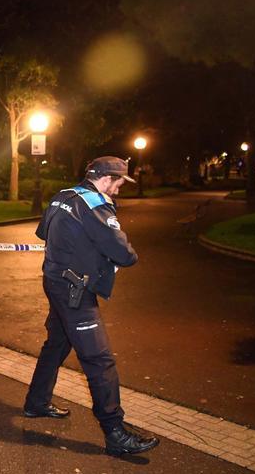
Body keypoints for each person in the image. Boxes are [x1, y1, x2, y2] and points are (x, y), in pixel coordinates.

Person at [24, 156, 159, 456]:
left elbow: (43, 233)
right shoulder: (96, 205)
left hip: (55, 282)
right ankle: (115, 432)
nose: (121, 187)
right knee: (100, 361)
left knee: (57, 345)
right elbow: (125, 255)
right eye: (120, 181)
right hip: (74, 291)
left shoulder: (63, 196)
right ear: (106, 178)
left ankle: (36, 402)